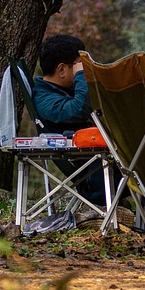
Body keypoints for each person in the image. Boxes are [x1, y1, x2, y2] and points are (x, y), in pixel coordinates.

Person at [31, 34, 107, 208]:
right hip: (93, 176)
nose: (83, 70)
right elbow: (79, 109)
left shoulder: (65, 91)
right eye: (79, 65)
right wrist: (81, 75)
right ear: (62, 69)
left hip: (101, 164)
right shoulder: (44, 98)